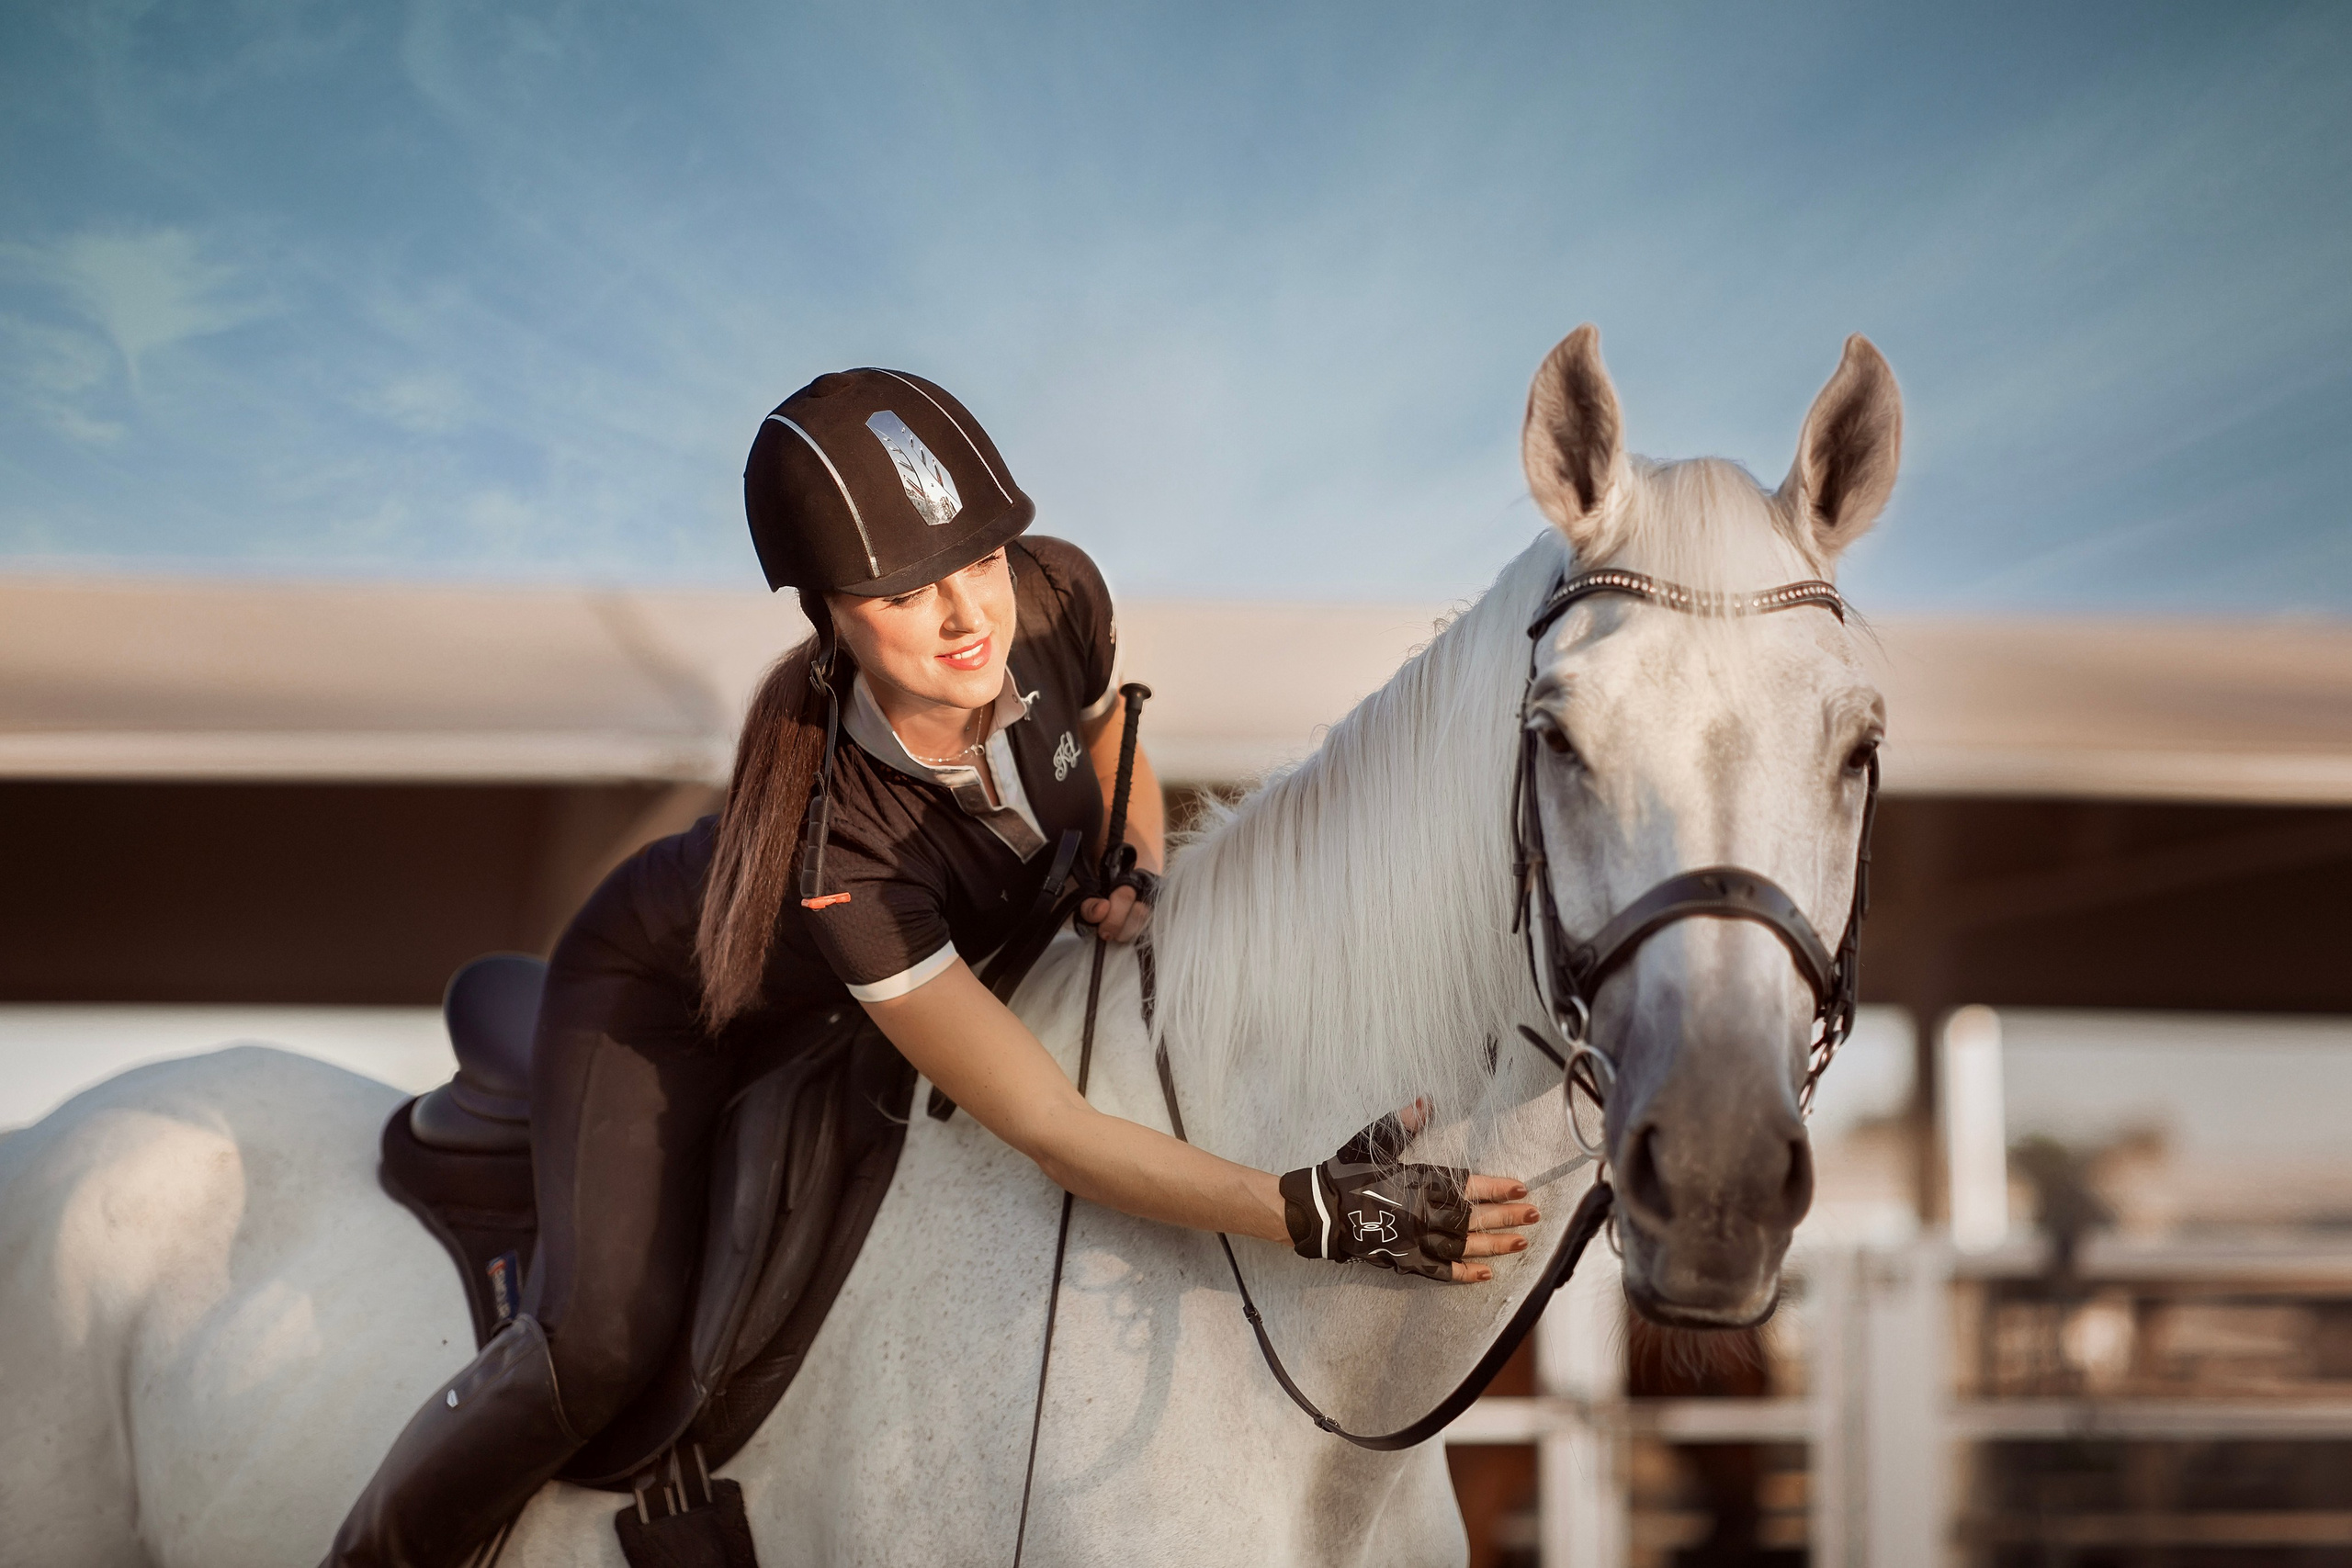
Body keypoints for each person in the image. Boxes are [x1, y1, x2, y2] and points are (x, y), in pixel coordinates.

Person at [324, 369, 1539, 1566]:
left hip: (885, 975)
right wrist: (1306, 1210)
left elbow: (1111, 737)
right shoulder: (843, 851)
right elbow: (1055, 1130)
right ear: (830, 615)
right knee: (599, 1342)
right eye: (908, 593)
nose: (969, 618)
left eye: (979, 562)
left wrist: (1134, 860)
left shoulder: (1054, 593)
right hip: (656, 1000)